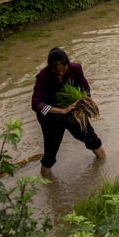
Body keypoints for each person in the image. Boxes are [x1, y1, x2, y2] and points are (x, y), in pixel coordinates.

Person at [30, 47, 104, 177]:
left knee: (91, 138)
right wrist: (62, 110)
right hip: (51, 119)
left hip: (73, 113)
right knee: (50, 153)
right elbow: (36, 104)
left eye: (62, 71)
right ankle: (48, 187)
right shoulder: (43, 77)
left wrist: (85, 104)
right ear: (50, 68)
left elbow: (85, 89)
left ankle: (103, 169)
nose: (60, 74)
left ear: (67, 65)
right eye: (56, 72)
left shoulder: (75, 69)